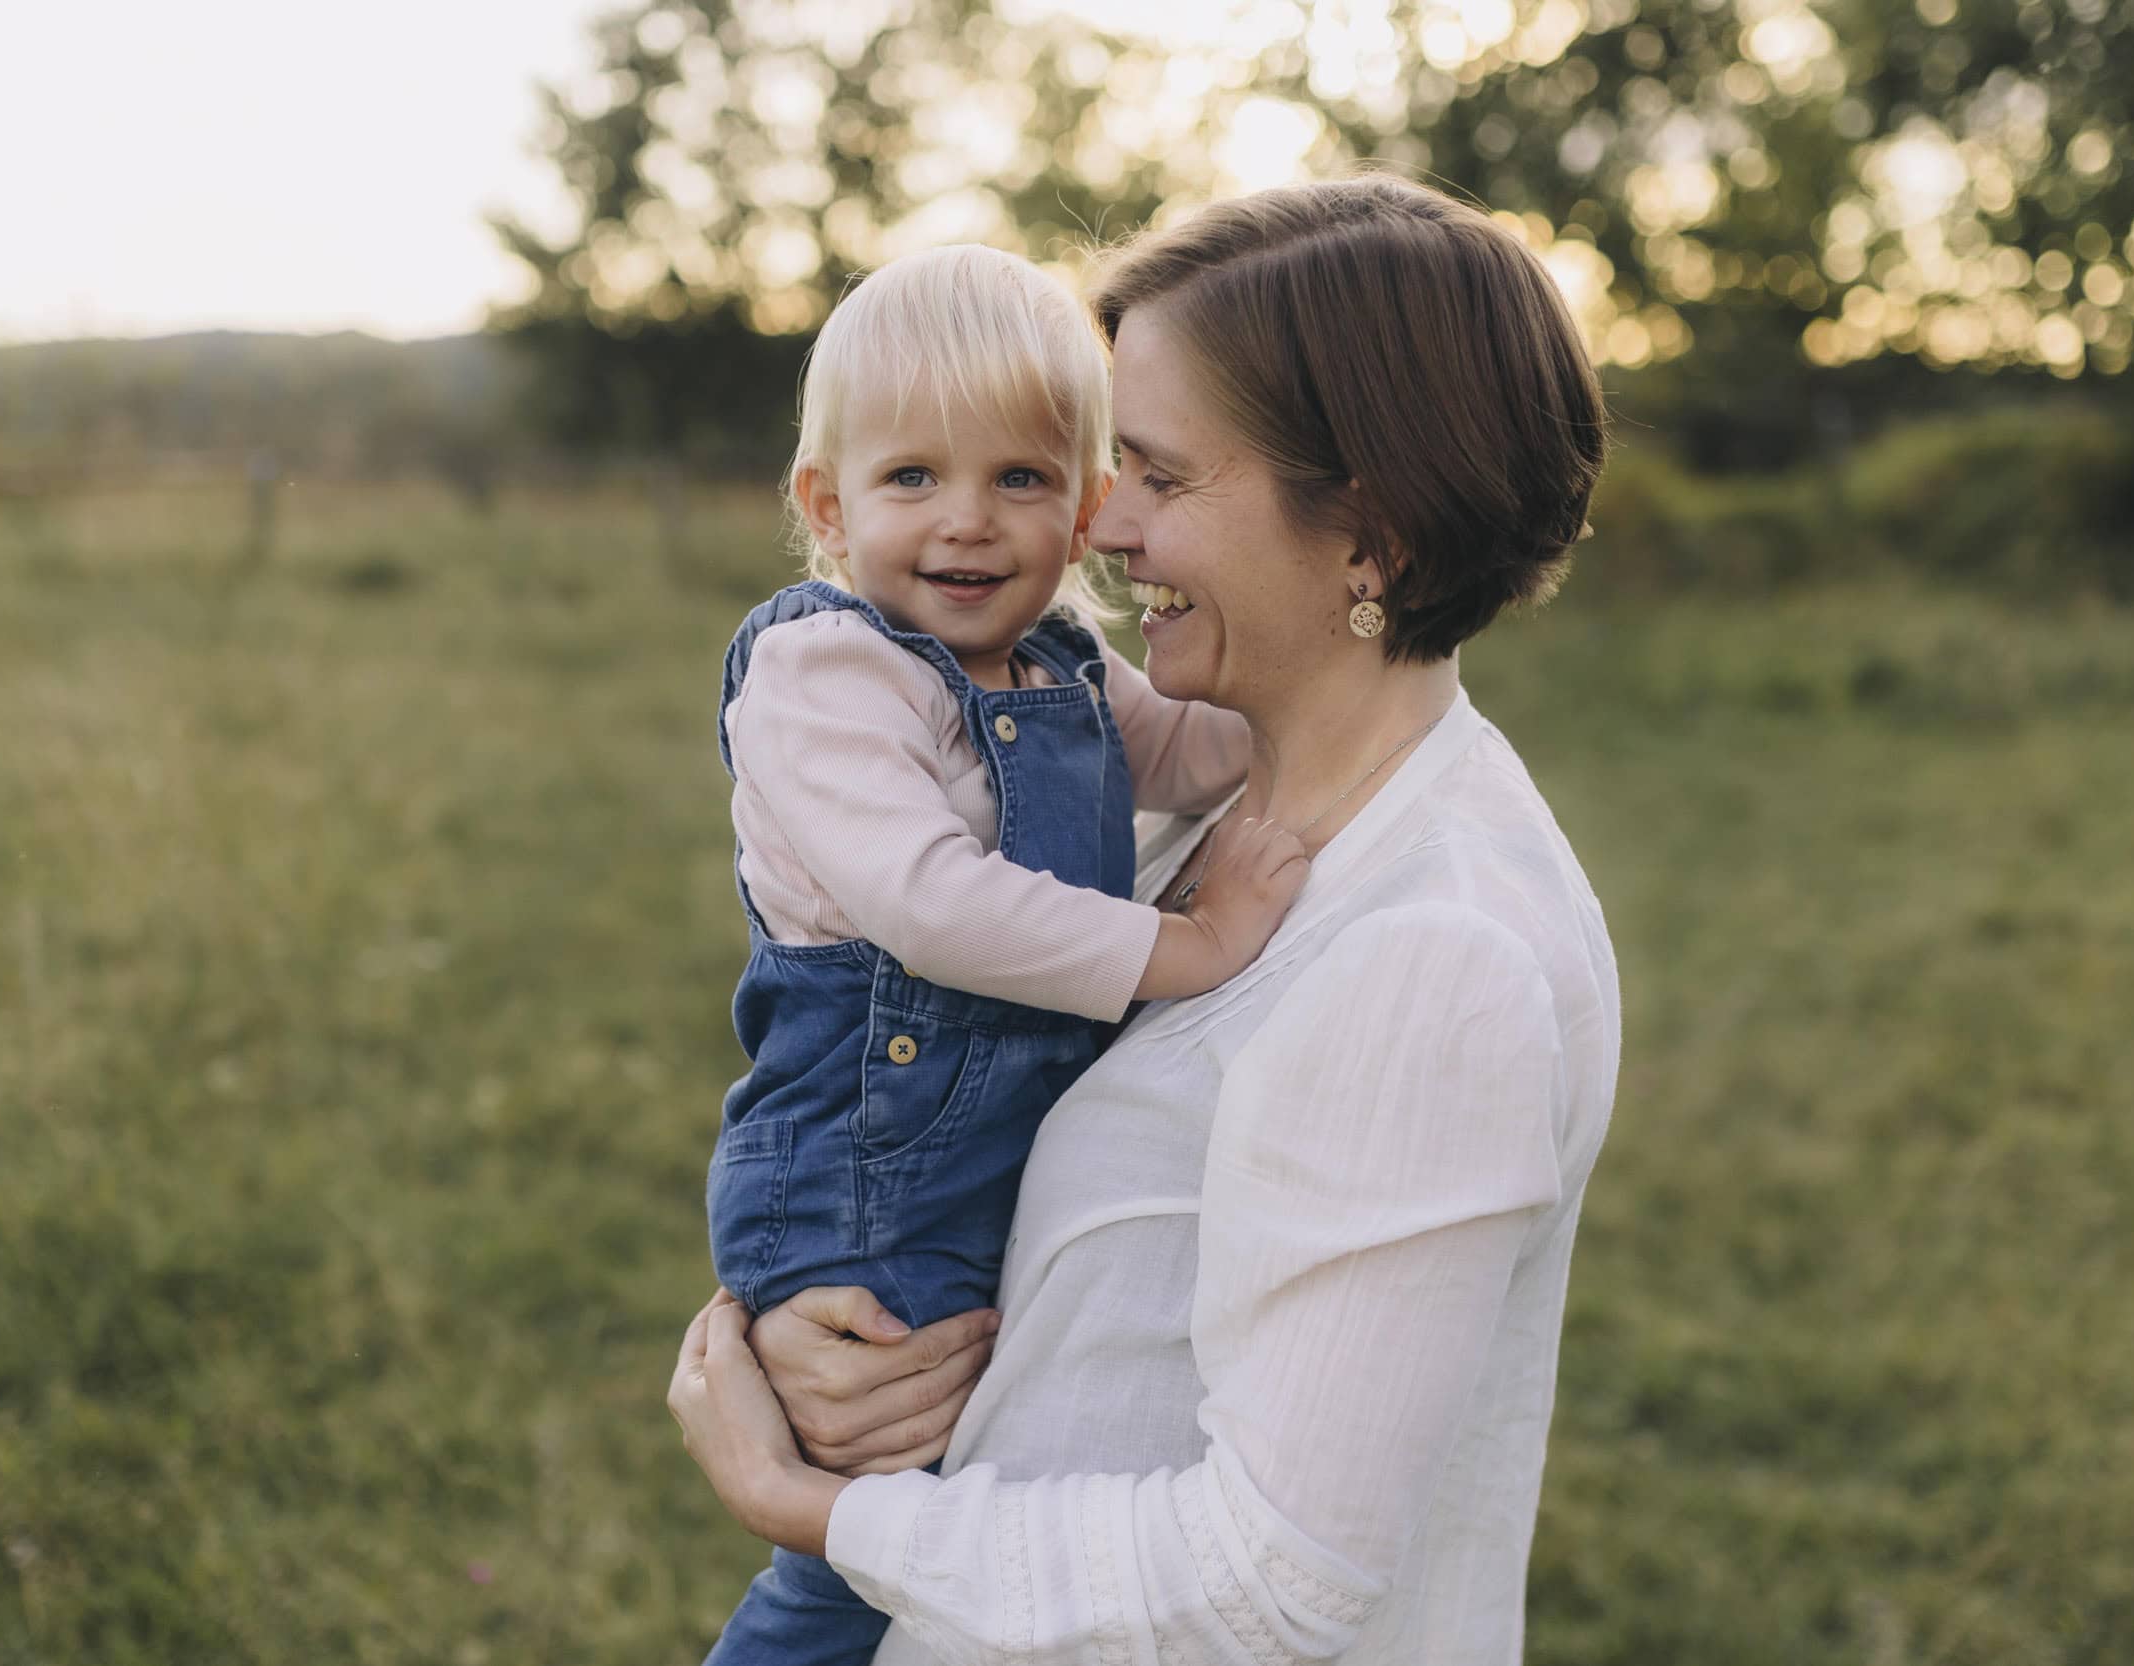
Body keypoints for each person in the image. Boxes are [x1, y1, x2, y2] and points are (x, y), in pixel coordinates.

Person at [670, 176, 1620, 1663]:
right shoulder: (1173, 791)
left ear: (1368, 536)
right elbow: (942, 1102)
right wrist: (814, 1335)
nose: (1094, 521)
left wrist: (818, 1505)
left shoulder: (1440, 957)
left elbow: (1274, 1582)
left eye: (1158, 480)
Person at [703, 243, 1309, 1664]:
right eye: (912, 478)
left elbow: (1198, 743)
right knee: (862, 1543)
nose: (967, 524)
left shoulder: (1063, 666)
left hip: (973, 1159)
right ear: (827, 504)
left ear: (1088, 503)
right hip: (866, 1168)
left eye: (1020, 480)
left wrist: (1311, 683)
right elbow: (935, 904)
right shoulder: (825, 676)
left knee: (985, 1481)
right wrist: (1190, 939)